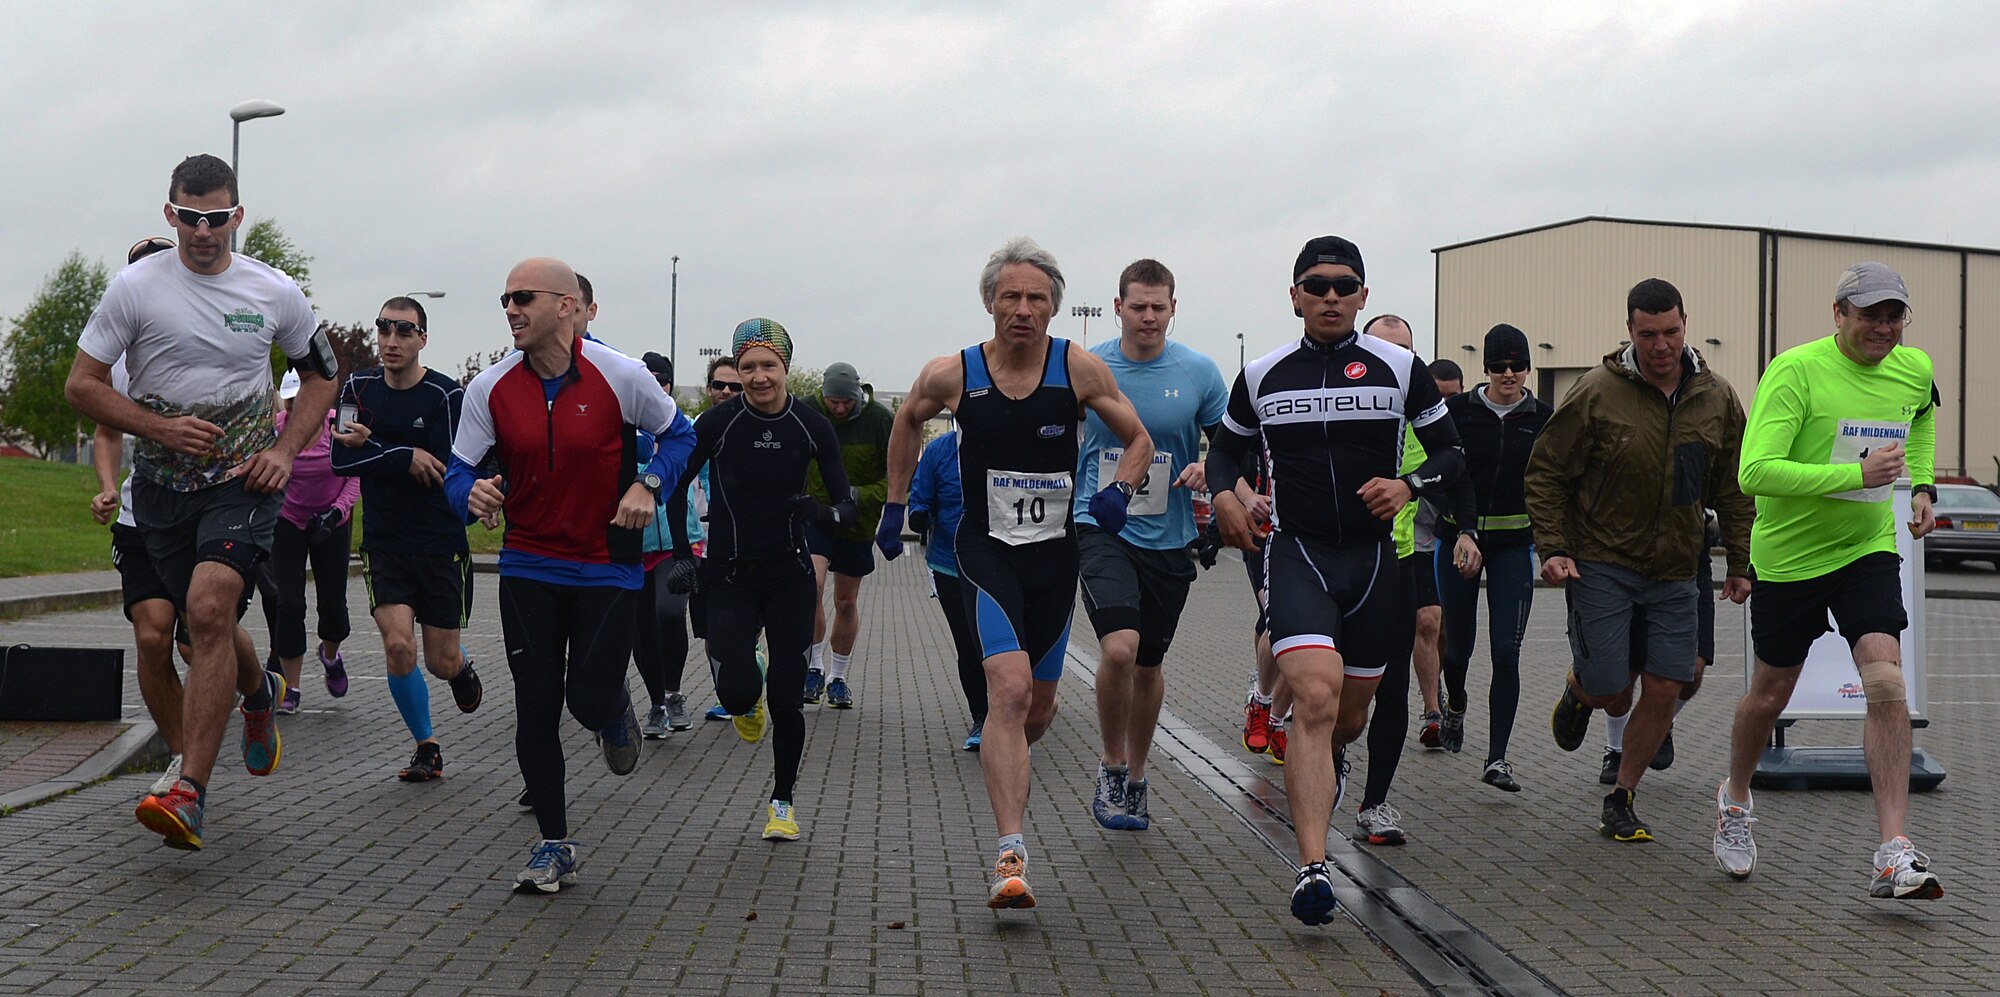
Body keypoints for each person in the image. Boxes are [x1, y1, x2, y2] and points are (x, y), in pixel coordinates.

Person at [66, 154, 338, 850]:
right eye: (190, 218)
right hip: (160, 488)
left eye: (217, 218)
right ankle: (258, 694)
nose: (204, 231)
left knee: (209, 609)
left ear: (237, 216)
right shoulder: (135, 289)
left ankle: (190, 789)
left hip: (241, 481)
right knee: (177, 627)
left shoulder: (275, 291)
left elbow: (320, 377)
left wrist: (283, 451)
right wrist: (156, 427)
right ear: (171, 215)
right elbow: (82, 386)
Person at [879, 237, 1154, 910]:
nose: (1024, 309)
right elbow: (907, 419)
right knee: (1005, 691)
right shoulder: (956, 373)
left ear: (1055, 305)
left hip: (1055, 554)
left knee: (1035, 706)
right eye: (1011, 296)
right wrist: (893, 504)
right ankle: (1010, 851)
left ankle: (1015, 747)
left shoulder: (1077, 369)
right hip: (986, 547)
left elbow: (1140, 439)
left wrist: (1119, 487)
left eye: (1037, 297)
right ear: (990, 303)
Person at [1206, 236, 1470, 926]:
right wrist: (1230, 494)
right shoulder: (1263, 374)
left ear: (1362, 295)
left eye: (1343, 285)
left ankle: (1329, 766)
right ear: (1294, 294)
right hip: (1297, 553)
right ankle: (1312, 868)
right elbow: (1225, 448)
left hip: (1377, 562)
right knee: (1316, 700)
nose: (1329, 296)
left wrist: (1408, 484)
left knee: (1348, 716)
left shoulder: (1400, 368)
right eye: (1315, 285)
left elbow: (1451, 452)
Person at [446, 258, 694, 892]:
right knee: (535, 707)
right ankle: (553, 844)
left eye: (523, 298)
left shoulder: (622, 375)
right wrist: (469, 495)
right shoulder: (490, 388)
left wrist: (649, 484)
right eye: (504, 300)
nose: (510, 310)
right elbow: (456, 473)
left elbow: (680, 438)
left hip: (606, 566)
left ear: (567, 305)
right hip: (529, 562)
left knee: (585, 699)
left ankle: (613, 714)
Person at [1716, 262, 1944, 898]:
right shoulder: (1796, 371)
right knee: (1769, 694)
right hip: (1790, 558)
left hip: (1865, 547)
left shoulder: (1914, 366)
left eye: (1893, 315)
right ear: (1838, 314)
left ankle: (1892, 850)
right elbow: (1754, 471)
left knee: (1885, 678)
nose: (1883, 327)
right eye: (1869, 314)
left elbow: (1921, 418)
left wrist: (1920, 483)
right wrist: (1856, 476)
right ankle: (1735, 799)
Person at [1528, 278, 1753, 842]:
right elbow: (1547, 471)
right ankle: (1582, 691)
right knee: (1613, 688)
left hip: (1678, 567)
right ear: (1629, 330)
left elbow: (1735, 485)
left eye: (1671, 332)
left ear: (1686, 324)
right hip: (1604, 561)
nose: (1661, 345)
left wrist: (1743, 561)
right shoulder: (1597, 392)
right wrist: (1553, 548)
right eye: (1648, 334)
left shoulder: (1717, 396)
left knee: (1670, 684)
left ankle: (1622, 795)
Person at [665, 319, 856, 843]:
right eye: (747, 367)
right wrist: (684, 555)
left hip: (789, 576)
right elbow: (677, 488)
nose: (758, 376)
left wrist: (820, 512)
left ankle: (783, 802)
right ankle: (747, 685)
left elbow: (845, 504)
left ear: (786, 369)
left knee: (788, 699)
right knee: (736, 690)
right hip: (726, 573)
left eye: (768, 365)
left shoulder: (811, 426)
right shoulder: (717, 423)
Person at [1070, 258, 1227, 832]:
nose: (1148, 317)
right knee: (1118, 649)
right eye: (1137, 306)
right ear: (1117, 308)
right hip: (1101, 524)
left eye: (1159, 306)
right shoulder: (1089, 367)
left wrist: (1207, 470)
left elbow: (1229, 444)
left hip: (1169, 536)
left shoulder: (1199, 372)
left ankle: (1138, 774)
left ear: (1173, 308)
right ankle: (1111, 767)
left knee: (1148, 663)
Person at [330, 296, 485, 782]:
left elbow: (442, 467)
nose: (391, 341)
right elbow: (342, 459)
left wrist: (382, 449)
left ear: (423, 339)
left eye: (404, 331)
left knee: (439, 661)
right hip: (385, 543)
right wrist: (402, 455)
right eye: (384, 330)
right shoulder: (356, 387)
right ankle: (427, 746)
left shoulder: (445, 396)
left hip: (440, 542)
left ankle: (460, 669)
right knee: (398, 647)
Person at [90, 236, 192, 797]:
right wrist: (107, 487)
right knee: (154, 640)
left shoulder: (213, 343)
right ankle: (182, 761)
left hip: (207, 516)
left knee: (200, 641)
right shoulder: (118, 366)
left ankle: (256, 690)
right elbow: (107, 433)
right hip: (141, 515)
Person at [1433, 325, 1554, 792]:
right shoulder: (1456, 412)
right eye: (1499, 366)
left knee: (1506, 650)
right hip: (1460, 543)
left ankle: (1498, 758)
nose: (1509, 374)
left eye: (1518, 365)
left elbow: (1556, 479)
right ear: (1484, 368)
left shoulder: (1542, 417)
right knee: (1458, 649)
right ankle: (1456, 705)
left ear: (1528, 368)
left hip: (1512, 548)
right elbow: (1440, 474)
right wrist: (1460, 528)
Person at [1347, 313, 1448, 846]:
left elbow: (1455, 465)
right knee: (1336, 692)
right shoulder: (1337, 393)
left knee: (1392, 688)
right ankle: (1331, 753)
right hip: (1327, 558)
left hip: (1397, 561)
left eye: (1405, 352)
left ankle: (1375, 801)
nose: (1395, 362)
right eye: (1383, 350)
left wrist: (1412, 485)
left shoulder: (1420, 409)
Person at [256, 370, 358, 715]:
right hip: (289, 520)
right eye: (292, 398)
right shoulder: (277, 429)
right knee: (289, 603)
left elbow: (355, 473)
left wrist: (336, 512)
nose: (299, 403)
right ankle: (291, 686)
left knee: (332, 604)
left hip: (332, 519)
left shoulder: (338, 426)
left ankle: (330, 655)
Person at [1600, 509, 1720, 783]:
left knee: (1693, 671)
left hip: (1689, 562)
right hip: (1629, 561)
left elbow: (1731, 495)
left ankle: (1662, 721)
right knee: (1621, 682)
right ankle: (1615, 750)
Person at [802, 361, 893, 709]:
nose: (839, 409)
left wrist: (862, 495)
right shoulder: (808, 411)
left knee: (846, 601)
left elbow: (897, 474)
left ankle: (838, 676)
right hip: (817, 518)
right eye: (833, 402)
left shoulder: (880, 421)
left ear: (859, 395)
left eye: (846, 403)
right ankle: (814, 666)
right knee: (813, 586)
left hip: (857, 523)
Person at [633, 351, 703, 737]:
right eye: (650, 379)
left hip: (679, 544)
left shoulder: (684, 429)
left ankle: (674, 692)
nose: (657, 386)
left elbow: (706, 483)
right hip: (631, 543)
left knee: (670, 614)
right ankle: (657, 703)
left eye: (663, 379)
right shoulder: (622, 427)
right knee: (641, 629)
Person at [907, 423, 986, 750]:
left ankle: (1017, 709)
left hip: (1005, 561)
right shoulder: (940, 450)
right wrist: (918, 514)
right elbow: (920, 494)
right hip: (949, 563)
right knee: (969, 644)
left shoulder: (1010, 441)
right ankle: (982, 717)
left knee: (1006, 644)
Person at [1413, 357, 1462, 748]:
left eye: (1453, 397)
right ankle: (1432, 710)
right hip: (1409, 534)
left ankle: (1441, 695)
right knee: (1427, 620)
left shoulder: (1462, 431)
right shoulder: (1408, 424)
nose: (1445, 406)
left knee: (1444, 627)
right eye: (1439, 397)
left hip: (1446, 535)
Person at [697, 355, 748, 723]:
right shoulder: (700, 426)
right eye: (720, 385)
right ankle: (727, 694)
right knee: (711, 626)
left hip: (751, 540)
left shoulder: (761, 423)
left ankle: (748, 688)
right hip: (706, 538)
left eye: (735, 386)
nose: (727, 391)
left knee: (747, 623)